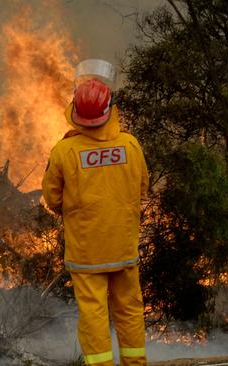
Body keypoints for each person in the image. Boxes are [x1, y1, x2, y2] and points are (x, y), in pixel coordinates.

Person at [42, 59, 149, 366]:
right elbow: (142, 186)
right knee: (129, 312)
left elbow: (52, 198)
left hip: (87, 252)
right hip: (123, 248)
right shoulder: (130, 145)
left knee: (93, 315)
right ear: (109, 112)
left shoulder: (64, 151)